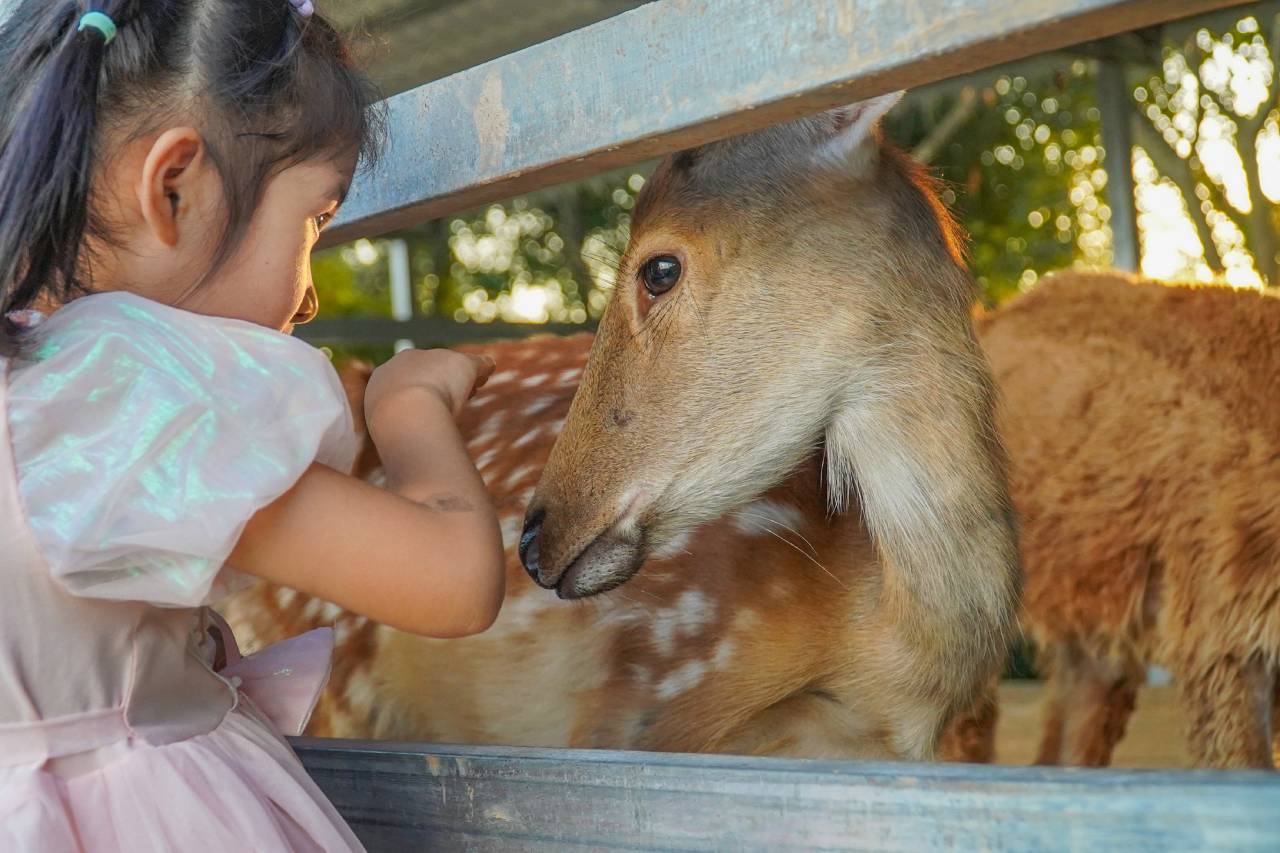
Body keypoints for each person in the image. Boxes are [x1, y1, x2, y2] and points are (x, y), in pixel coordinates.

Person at [0, 2, 506, 849]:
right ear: (174, 188)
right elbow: (454, 580)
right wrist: (408, 409)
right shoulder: (121, 400)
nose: (309, 296)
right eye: (315, 219)